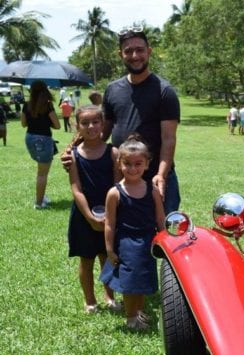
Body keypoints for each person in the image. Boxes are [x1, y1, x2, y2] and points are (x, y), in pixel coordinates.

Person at [61, 27, 181, 213]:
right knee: (125, 235)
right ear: (120, 54)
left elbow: (169, 139)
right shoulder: (112, 89)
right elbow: (101, 132)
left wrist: (161, 175)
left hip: (155, 178)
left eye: (140, 50)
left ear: (149, 51)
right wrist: (73, 151)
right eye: (128, 51)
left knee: (163, 236)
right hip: (122, 178)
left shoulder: (164, 91)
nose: (135, 55)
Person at [103, 135, 165, 330]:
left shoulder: (152, 189)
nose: (132, 168)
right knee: (130, 283)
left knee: (143, 280)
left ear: (147, 164)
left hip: (148, 241)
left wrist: (164, 242)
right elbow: (110, 223)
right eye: (127, 164)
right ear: (119, 164)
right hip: (126, 243)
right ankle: (131, 318)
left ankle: (138, 313)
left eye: (138, 164)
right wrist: (109, 249)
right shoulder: (114, 193)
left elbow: (160, 219)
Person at [68, 105, 122, 313]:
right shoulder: (73, 155)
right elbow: (76, 189)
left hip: (110, 214)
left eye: (95, 122)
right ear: (77, 126)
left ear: (102, 124)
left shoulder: (112, 152)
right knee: (87, 258)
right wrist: (90, 216)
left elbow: (118, 187)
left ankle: (109, 296)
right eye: (85, 123)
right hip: (83, 215)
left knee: (107, 257)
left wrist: (110, 215)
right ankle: (90, 301)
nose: (91, 126)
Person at [22, 80, 61, 209]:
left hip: (30, 138)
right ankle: (38, 203)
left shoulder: (26, 105)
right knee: (42, 174)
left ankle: (41, 196)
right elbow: (57, 125)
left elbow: (23, 124)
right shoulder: (48, 105)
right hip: (44, 139)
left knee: (41, 171)